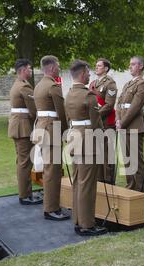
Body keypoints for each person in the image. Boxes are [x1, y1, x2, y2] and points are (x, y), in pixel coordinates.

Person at [65, 60, 107, 236]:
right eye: (88, 72)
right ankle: (87, 224)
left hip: (74, 139)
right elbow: (96, 123)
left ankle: (77, 220)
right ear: (82, 74)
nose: (90, 75)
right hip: (88, 142)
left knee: (77, 182)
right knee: (87, 184)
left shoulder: (69, 94)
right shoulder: (88, 95)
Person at [32, 55, 70, 221]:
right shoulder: (53, 86)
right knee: (53, 171)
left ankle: (50, 205)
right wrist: (66, 131)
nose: (59, 68)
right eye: (58, 66)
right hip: (51, 129)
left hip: (42, 127)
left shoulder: (39, 85)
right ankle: (51, 208)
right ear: (52, 67)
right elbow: (61, 112)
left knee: (49, 168)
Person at [8, 59, 43, 205]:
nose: (30, 71)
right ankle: (25, 195)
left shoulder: (17, 84)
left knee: (21, 161)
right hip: (23, 127)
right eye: (29, 68)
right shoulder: (24, 87)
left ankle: (25, 193)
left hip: (18, 125)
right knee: (25, 162)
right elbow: (34, 109)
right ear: (22, 70)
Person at [115, 56, 144, 192]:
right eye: (130, 64)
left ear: (140, 66)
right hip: (123, 125)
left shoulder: (143, 84)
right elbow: (119, 104)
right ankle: (130, 186)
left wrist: (121, 123)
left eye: (133, 64)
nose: (130, 66)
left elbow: (135, 107)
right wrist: (118, 120)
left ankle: (138, 190)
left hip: (134, 126)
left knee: (136, 160)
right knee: (127, 160)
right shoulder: (128, 84)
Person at [89, 58, 117, 184]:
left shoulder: (110, 83)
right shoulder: (93, 83)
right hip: (96, 124)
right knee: (97, 153)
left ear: (106, 68)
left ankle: (109, 181)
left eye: (99, 66)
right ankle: (99, 181)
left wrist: (95, 115)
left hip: (106, 123)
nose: (96, 67)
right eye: (96, 65)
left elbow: (109, 104)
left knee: (107, 154)